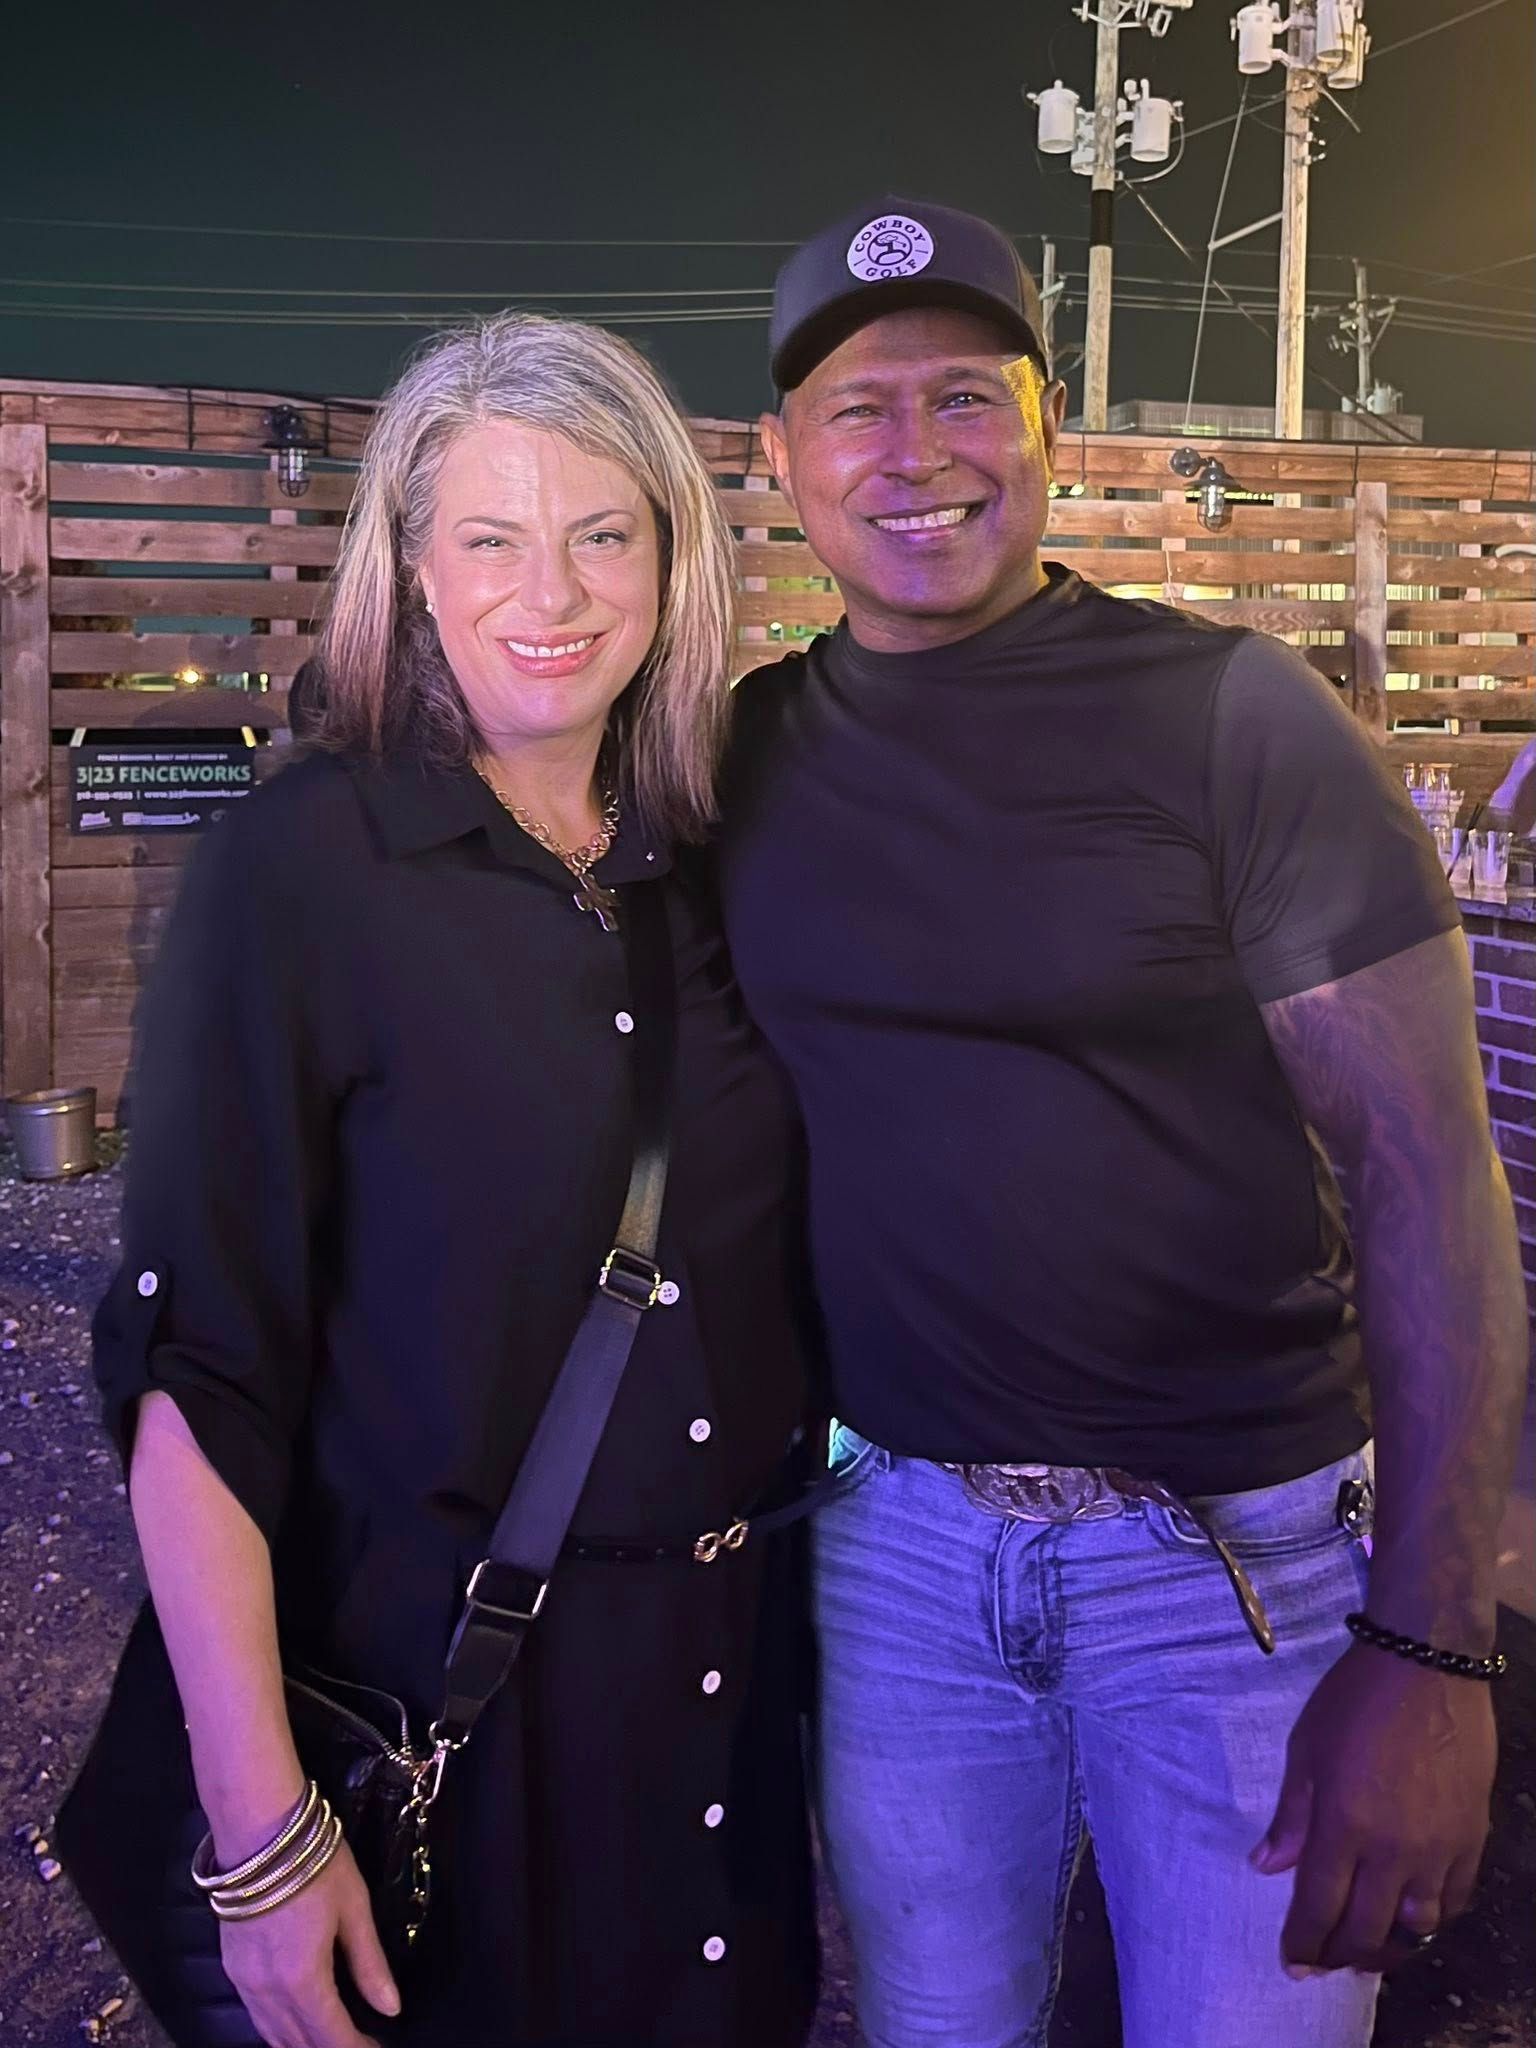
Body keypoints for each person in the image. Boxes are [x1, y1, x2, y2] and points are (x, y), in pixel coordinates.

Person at [716, 198, 1528, 2048]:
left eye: (966, 398)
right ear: (782, 461)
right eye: (858, 409)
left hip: (1237, 1574)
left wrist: (1430, 1645)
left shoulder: (1233, 722)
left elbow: (1432, 1188)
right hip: (896, 1549)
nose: (915, 454)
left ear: (1050, 424)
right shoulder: (743, 753)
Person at [61, 314, 819, 2048]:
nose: (548, 589)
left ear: (672, 555)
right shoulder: (302, 866)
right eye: (490, 535)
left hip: (723, 1707)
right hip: (448, 1728)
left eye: (601, 532)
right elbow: (199, 1373)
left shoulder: (712, 854)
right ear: (408, 563)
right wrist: (259, 1833)